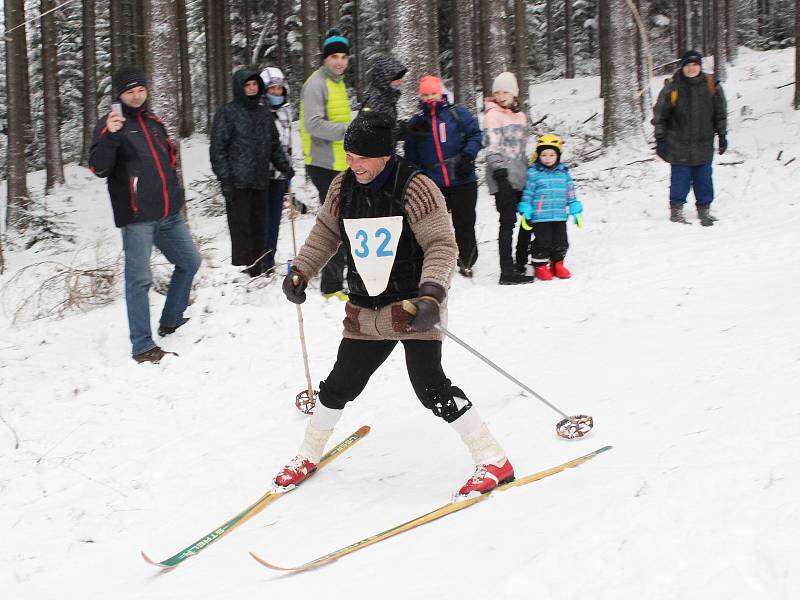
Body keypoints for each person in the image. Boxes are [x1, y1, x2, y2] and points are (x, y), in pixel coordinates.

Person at [276, 112, 514, 498]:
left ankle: (493, 459)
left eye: (360, 158)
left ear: (384, 155)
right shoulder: (343, 187)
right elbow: (324, 233)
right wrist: (302, 270)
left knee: (430, 388)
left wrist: (432, 294)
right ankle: (307, 453)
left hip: (411, 307)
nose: (352, 164)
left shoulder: (416, 187)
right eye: (348, 156)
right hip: (365, 310)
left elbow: (441, 244)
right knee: (338, 386)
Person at [89, 66, 202, 363]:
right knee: (139, 280)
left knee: (190, 261)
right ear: (119, 95)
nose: (137, 96)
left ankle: (171, 319)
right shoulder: (109, 124)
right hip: (137, 218)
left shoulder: (154, 122)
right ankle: (141, 345)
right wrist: (111, 136)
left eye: (140, 89)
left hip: (168, 214)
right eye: (129, 91)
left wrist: (175, 195)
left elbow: (169, 160)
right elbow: (98, 167)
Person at [210, 67, 294, 277]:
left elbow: (274, 144)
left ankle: (260, 266)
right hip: (237, 182)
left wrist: (284, 166)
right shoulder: (227, 113)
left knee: (260, 225)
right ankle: (248, 268)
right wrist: (225, 179)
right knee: (242, 227)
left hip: (259, 179)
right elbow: (218, 148)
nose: (251, 88)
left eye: (254, 84)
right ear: (239, 87)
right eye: (247, 85)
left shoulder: (264, 113)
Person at [403, 75, 482, 278]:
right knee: (434, 225)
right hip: (434, 181)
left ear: (441, 93)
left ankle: (466, 260)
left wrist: (468, 156)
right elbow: (411, 155)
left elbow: (475, 134)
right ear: (421, 97)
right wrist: (416, 177)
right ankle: (434, 261)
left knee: (465, 222)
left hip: (463, 178)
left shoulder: (457, 113)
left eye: (434, 93)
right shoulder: (418, 122)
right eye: (426, 95)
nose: (431, 98)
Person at [300, 28, 353, 300]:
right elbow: (313, 124)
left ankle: (337, 281)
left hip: (340, 162)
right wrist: (348, 129)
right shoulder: (316, 84)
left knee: (344, 221)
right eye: (334, 56)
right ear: (325, 58)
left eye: (344, 56)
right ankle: (331, 286)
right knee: (336, 223)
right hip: (323, 164)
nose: (340, 62)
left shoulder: (338, 82)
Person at [652, 49, 728, 226]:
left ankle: (704, 210)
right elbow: (660, 116)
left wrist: (722, 135)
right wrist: (660, 140)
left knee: (704, 179)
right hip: (678, 144)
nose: (691, 68)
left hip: (704, 144)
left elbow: (720, 114)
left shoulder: (711, 85)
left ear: (700, 66)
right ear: (682, 66)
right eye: (688, 64)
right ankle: (676, 211)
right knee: (680, 179)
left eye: (695, 64)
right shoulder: (672, 87)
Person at [483, 72, 535, 285]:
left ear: (514, 93)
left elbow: (521, 150)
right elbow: (492, 147)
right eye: (497, 92)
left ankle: (521, 261)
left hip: (521, 175)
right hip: (502, 177)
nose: (501, 95)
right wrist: (500, 174)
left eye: (505, 91)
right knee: (508, 222)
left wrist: (530, 170)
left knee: (528, 219)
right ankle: (507, 270)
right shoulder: (492, 115)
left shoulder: (520, 116)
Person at [517, 134, 583, 280]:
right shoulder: (534, 173)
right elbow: (528, 194)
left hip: (559, 215)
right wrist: (526, 210)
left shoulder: (564, 173)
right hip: (540, 217)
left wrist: (576, 210)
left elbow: (571, 194)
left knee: (561, 241)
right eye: (544, 154)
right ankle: (540, 266)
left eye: (552, 154)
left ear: (557, 156)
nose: (547, 158)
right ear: (538, 155)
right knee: (543, 242)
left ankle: (557, 264)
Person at [260, 66, 294, 275]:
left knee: (274, 220)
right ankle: (259, 260)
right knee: (261, 220)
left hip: (281, 174)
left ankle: (270, 258)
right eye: (271, 89)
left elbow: (288, 143)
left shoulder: (286, 111)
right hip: (263, 175)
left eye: (279, 89)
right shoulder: (259, 111)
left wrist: (289, 169)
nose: (275, 92)